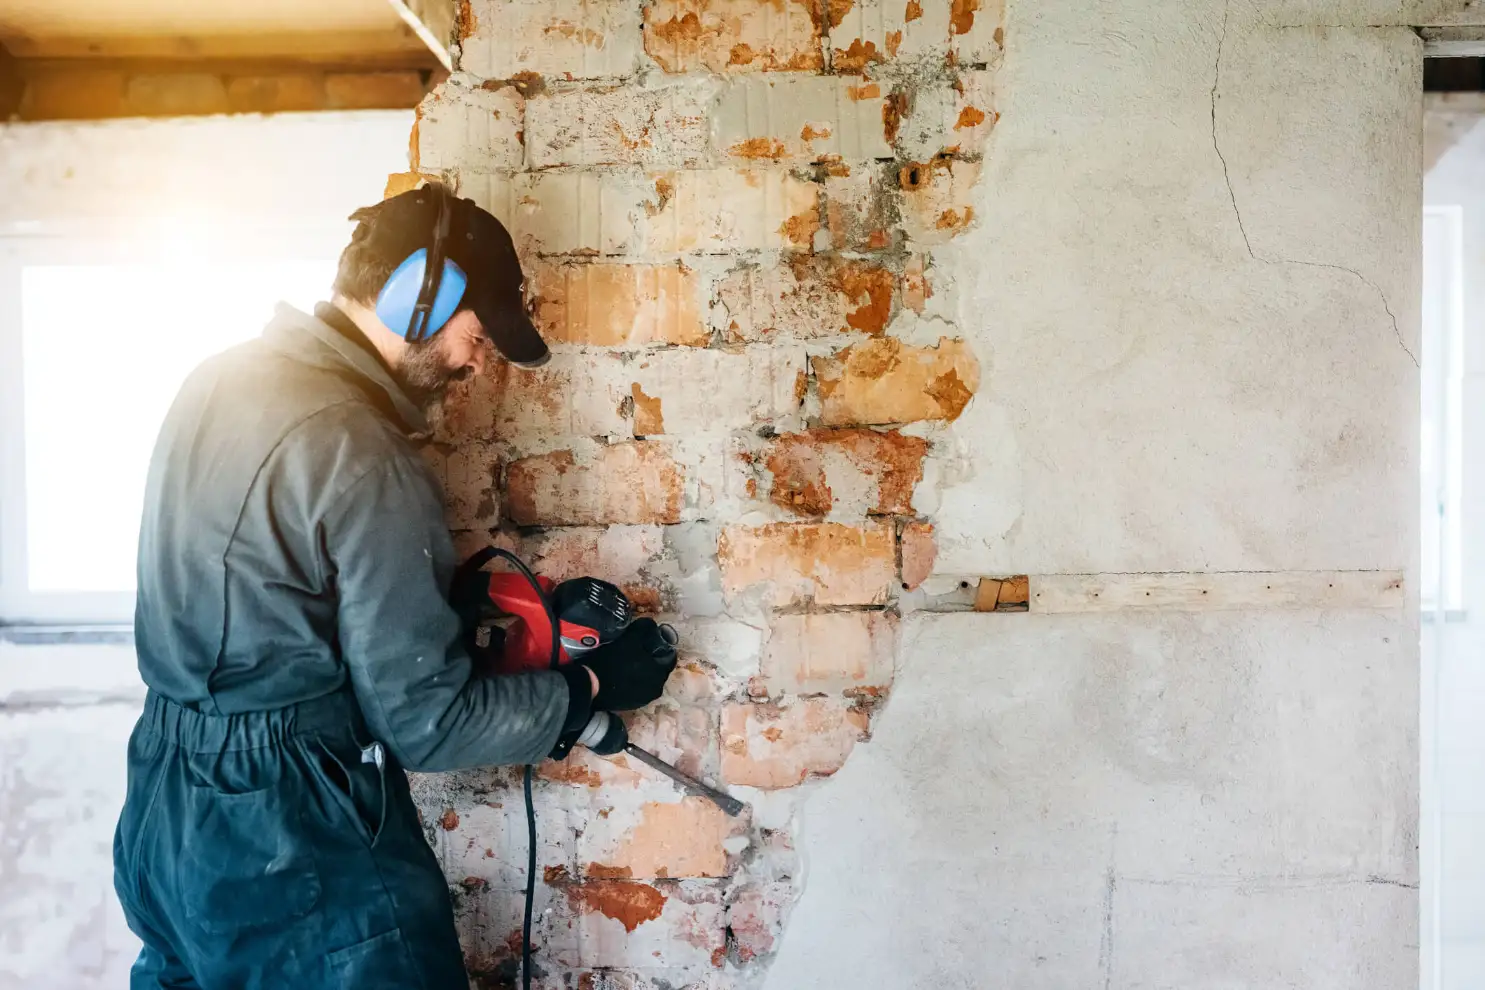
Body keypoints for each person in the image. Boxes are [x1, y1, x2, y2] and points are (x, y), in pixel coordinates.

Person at [112, 183, 675, 988]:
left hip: (163, 801)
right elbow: (428, 727)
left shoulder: (214, 380)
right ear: (421, 297)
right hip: (286, 829)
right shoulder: (363, 450)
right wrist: (582, 690)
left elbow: (259, 585)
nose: (473, 363)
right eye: (475, 335)